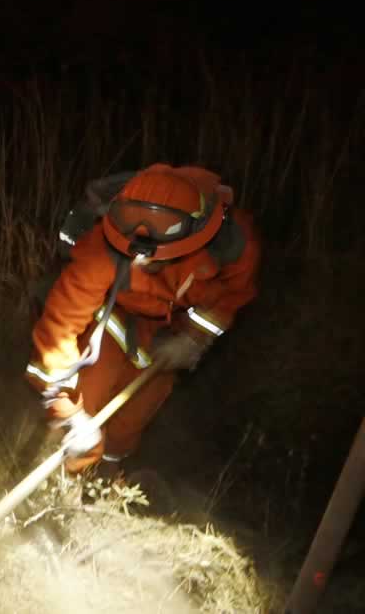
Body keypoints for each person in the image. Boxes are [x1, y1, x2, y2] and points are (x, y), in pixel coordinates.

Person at [25, 163, 261, 473]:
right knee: (88, 392)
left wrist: (195, 338)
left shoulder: (232, 244)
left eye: (153, 250)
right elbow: (60, 324)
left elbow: (234, 296)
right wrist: (65, 410)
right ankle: (60, 476)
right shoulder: (103, 247)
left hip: (168, 332)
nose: (140, 255)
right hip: (113, 315)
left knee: (135, 413)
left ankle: (107, 477)